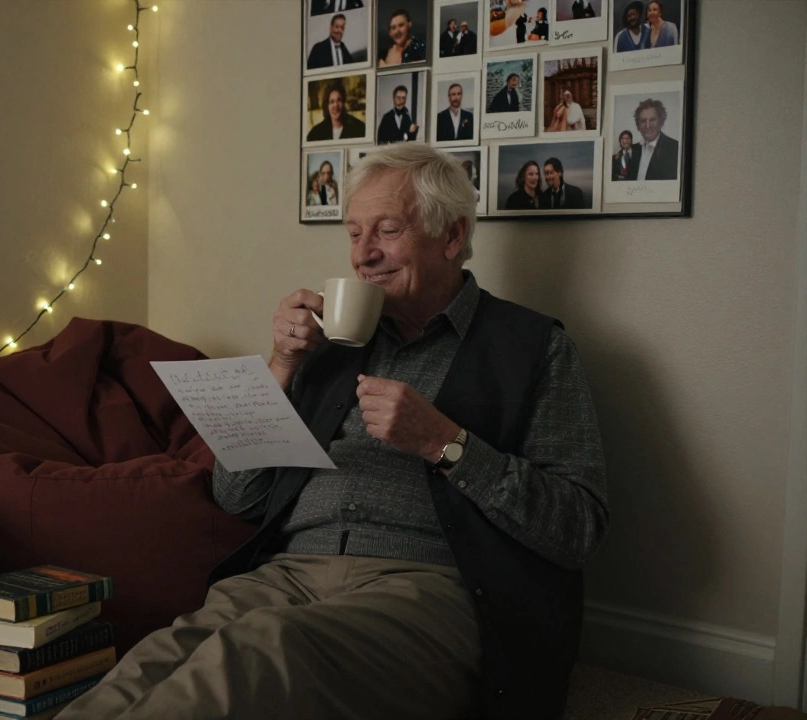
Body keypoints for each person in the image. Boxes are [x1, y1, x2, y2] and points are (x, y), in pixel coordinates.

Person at [56, 143, 608, 720]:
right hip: (287, 574)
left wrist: (444, 443)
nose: (364, 255)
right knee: (154, 663)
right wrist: (280, 367)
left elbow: (579, 528)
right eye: (352, 233)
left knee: (254, 656)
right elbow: (236, 496)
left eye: (387, 231)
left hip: (429, 589)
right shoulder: (328, 346)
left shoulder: (534, 348)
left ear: (451, 236)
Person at [631, 97, 680, 180]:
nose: (647, 125)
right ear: (638, 125)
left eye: (652, 120)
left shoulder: (675, 148)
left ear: (661, 122)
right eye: (643, 121)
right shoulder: (632, 150)